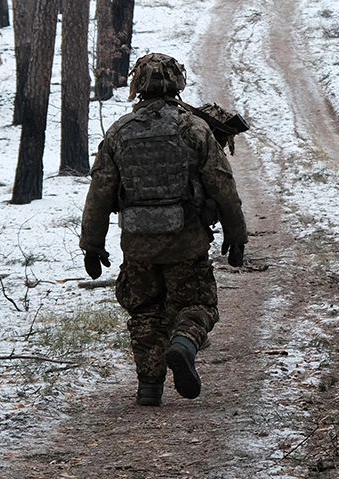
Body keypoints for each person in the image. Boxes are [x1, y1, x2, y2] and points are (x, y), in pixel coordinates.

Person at [79, 53, 248, 407]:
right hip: (186, 240)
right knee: (197, 303)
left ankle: (149, 386)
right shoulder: (195, 129)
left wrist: (92, 244)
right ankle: (184, 342)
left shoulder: (120, 132)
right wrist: (235, 233)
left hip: (137, 243)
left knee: (145, 310)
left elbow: (100, 191)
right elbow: (222, 185)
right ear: (177, 83)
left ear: (137, 85)